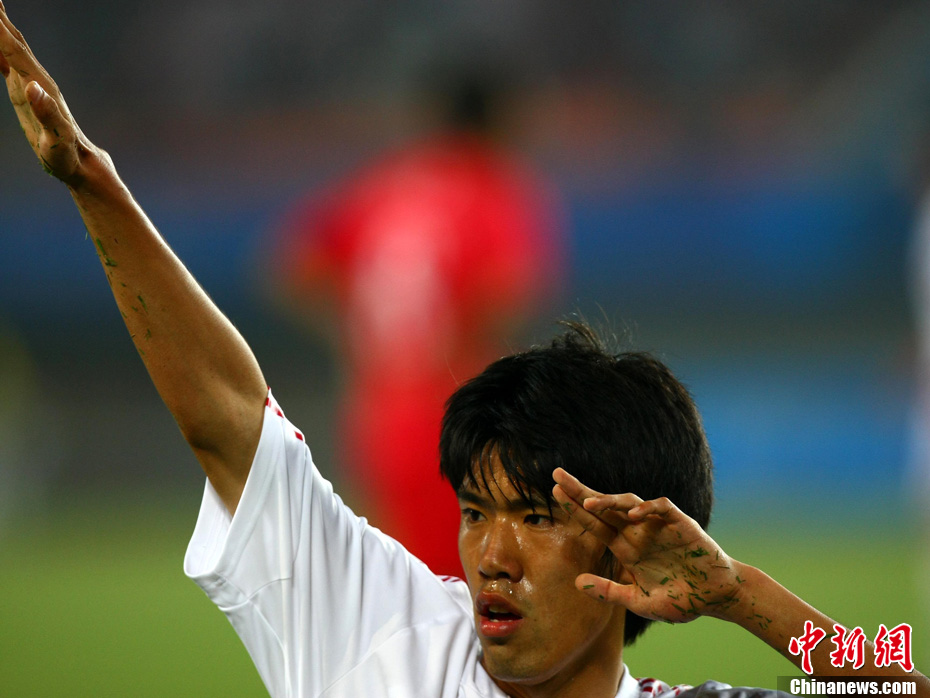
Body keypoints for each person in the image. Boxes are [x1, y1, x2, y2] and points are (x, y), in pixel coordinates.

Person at [1, 6, 926, 697]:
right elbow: (228, 418)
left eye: (536, 516)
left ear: (631, 553)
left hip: (385, 405)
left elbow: (900, 685)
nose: (491, 554)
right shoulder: (377, 634)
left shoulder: (387, 184)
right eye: (477, 513)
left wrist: (739, 596)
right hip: (442, 402)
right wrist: (94, 186)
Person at [268, 68, 563, 577]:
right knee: (473, 580)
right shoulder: (493, 184)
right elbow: (509, 294)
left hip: (378, 412)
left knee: (409, 580)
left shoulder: (385, 183)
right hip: (461, 408)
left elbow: (291, 265)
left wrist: (355, 334)